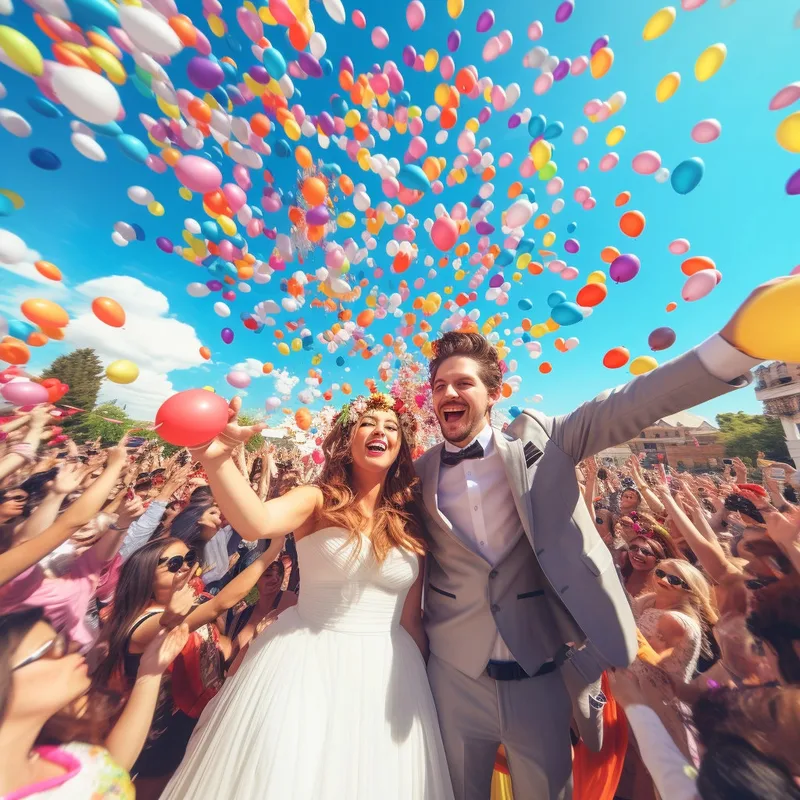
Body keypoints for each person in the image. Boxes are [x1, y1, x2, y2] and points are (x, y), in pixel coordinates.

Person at [412, 276, 783, 800]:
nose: (448, 393)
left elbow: (634, 400)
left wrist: (734, 346)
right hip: (452, 677)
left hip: (542, 677)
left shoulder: (548, 440)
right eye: (440, 386)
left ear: (495, 394)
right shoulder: (416, 475)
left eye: (463, 383)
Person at [160, 392, 454, 799]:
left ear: (401, 446)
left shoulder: (409, 520)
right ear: (349, 438)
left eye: (391, 427)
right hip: (305, 665)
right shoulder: (316, 499)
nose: (380, 431)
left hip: (392, 675)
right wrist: (216, 458)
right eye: (369, 423)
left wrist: (430, 687)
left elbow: (411, 619)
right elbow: (254, 522)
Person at [92, 535, 281, 799]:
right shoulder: (145, 622)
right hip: (158, 729)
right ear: (145, 577)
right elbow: (220, 604)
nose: (184, 567)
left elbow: (215, 646)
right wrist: (272, 552)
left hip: (190, 714)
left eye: (189, 558)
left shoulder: (191, 602)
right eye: (173, 564)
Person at [0, 606, 189, 799]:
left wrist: (150, 673)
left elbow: (109, 775)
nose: (75, 645)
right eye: (51, 648)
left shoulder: (66, 755)